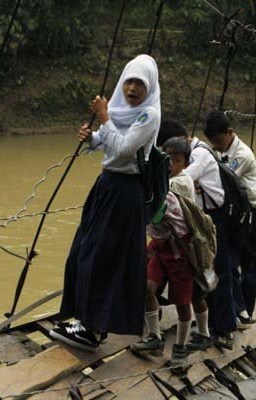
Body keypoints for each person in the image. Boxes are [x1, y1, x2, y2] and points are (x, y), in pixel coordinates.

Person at [50, 55, 161, 351]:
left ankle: (93, 329)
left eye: (140, 84)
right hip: (106, 185)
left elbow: (125, 149)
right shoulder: (119, 110)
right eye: (129, 82)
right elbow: (108, 143)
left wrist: (103, 118)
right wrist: (92, 138)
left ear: (149, 88)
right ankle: (87, 320)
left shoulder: (149, 115)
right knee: (83, 251)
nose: (133, 89)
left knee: (103, 257)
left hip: (126, 193)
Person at [157, 119, 238, 350]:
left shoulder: (199, 155)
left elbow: (177, 180)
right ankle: (208, 327)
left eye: (172, 157)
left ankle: (224, 330)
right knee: (202, 274)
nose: (169, 162)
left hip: (213, 220)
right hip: (199, 218)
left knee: (215, 272)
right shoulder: (194, 151)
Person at [129, 137, 197, 366]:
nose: (170, 165)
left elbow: (154, 212)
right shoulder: (162, 181)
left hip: (180, 252)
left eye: (176, 161)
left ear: (186, 164)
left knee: (182, 302)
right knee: (147, 287)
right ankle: (155, 338)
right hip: (160, 245)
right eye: (167, 159)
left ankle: (181, 347)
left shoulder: (177, 185)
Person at [202, 111, 256, 328]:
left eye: (219, 141)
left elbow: (222, 181)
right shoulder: (219, 151)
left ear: (230, 133)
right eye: (212, 142)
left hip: (255, 215)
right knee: (229, 264)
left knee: (250, 269)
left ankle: (245, 313)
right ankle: (238, 311)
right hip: (238, 215)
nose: (216, 145)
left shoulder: (242, 155)